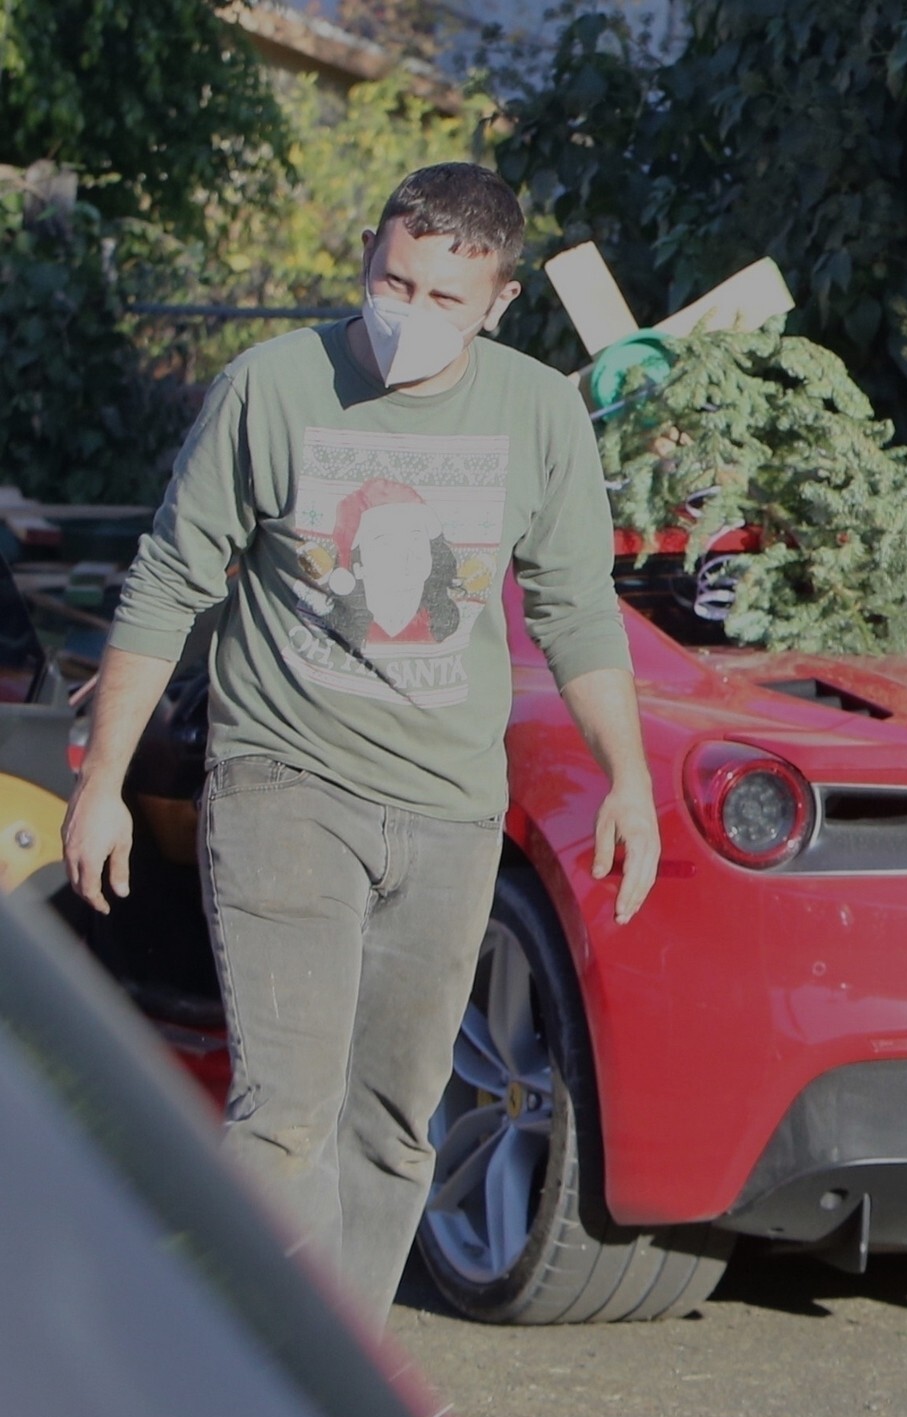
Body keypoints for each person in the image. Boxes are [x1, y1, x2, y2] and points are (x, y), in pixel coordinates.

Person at [60, 164, 659, 1321]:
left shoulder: (536, 413)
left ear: (499, 302)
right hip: (286, 782)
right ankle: (267, 1370)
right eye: (394, 281)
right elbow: (170, 581)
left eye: (444, 297)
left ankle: (349, 1367)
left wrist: (627, 780)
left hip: (448, 808)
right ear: (367, 262)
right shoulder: (273, 387)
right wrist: (104, 784)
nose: (409, 313)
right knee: (285, 1113)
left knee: (392, 1122)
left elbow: (578, 612)